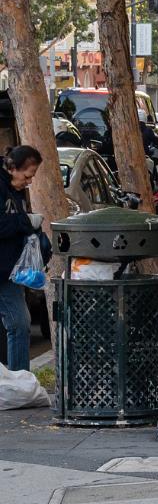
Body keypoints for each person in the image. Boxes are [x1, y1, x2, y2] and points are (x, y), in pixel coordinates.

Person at [0, 145, 44, 372]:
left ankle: (20, 380)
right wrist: (25, 222)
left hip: (10, 269)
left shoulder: (14, 190)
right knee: (19, 323)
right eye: (27, 176)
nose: (29, 181)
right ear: (12, 168)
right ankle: (20, 380)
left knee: (19, 324)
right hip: (3, 269)